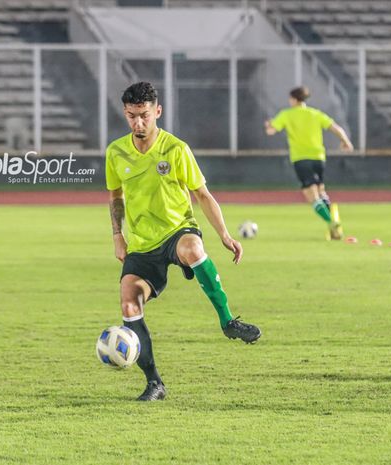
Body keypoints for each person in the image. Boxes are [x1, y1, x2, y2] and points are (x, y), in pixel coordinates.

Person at [106, 82, 261, 402]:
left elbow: (202, 195)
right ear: (125, 113)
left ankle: (228, 321)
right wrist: (117, 236)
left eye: (144, 116)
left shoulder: (176, 149)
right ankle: (154, 383)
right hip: (141, 243)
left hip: (178, 229)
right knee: (128, 303)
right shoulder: (116, 152)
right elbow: (115, 195)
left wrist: (225, 235)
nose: (138, 123)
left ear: (157, 112)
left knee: (192, 249)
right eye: (132, 116)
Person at [264, 86, 354, 240]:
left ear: (293, 99)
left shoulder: (287, 114)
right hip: (319, 157)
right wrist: (346, 142)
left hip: (301, 158)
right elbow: (336, 128)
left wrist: (268, 125)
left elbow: (271, 131)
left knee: (310, 195)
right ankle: (333, 226)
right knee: (320, 190)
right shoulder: (315, 114)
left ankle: (331, 221)